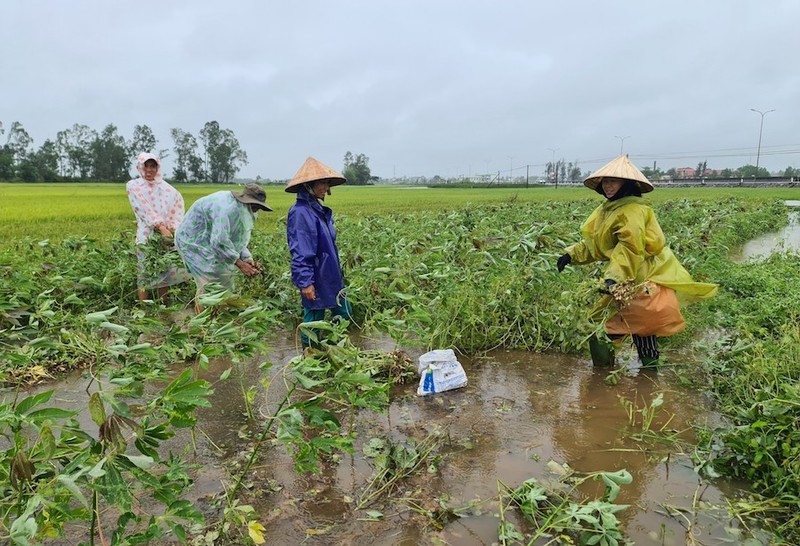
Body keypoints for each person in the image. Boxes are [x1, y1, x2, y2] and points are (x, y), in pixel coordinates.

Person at [556, 155, 717, 367]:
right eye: (605, 181)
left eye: (614, 181)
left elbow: (630, 247)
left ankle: (642, 378)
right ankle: (612, 375)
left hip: (643, 277)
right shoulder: (609, 209)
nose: (608, 186)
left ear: (627, 184)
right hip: (623, 275)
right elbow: (597, 244)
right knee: (609, 324)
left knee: (638, 326)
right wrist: (571, 255)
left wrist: (614, 278)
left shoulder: (633, 210)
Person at [285, 157, 351, 346]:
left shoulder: (316, 210)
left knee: (344, 315)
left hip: (331, 275)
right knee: (313, 323)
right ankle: (310, 357)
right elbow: (301, 249)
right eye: (322, 182)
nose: (326, 187)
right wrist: (306, 282)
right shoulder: (301, 212)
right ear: (308, 185)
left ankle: (341, 352)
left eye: (327, 182)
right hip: (316, 277)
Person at [175, 183, 271, 311]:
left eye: (259, 207)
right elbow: (219, 241)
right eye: (255, 206)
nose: (256, 210)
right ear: (246, 201)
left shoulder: (246, 210)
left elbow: (237, 238)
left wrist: (247, 258)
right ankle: (202, 323)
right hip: (193, 241)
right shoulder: (226, 209)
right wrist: (241, 264)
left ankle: (218, 316)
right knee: (207, 282)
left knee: (222, 277)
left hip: (210, 239)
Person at [126, 152, 189, 303]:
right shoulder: (133, 186)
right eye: (146, 166)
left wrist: (172, 229)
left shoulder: (166, 188)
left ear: (157, 168)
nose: (149, 170)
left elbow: (178, 206)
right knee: (144, 271)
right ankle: (143, 308)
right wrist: (160, 226)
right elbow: (143, 208)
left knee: (164, 271)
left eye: (153, 166)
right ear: (140, 167)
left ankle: (163, 306)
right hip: (146, 237)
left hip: (165, 237)